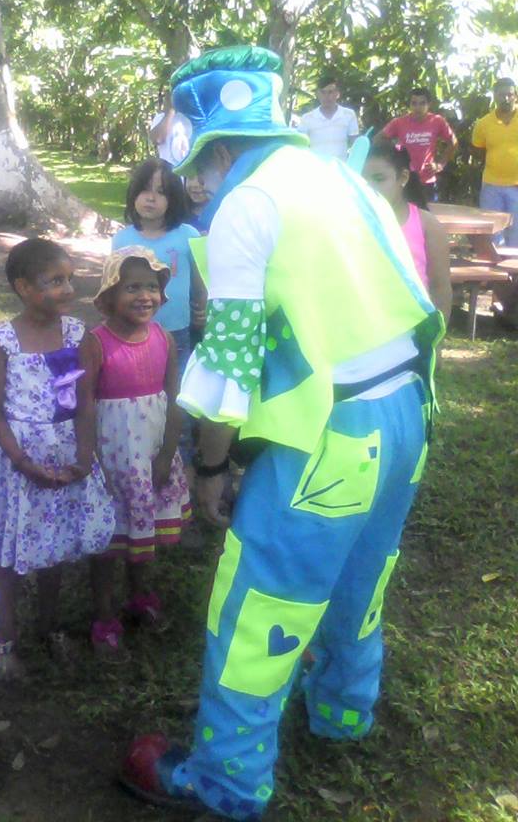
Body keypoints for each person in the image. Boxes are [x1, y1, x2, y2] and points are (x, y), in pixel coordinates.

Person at [120, 46, 444, 820]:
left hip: (329, 436)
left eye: (198, 166)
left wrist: (211, 470)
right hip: (404, 416)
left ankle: (225, 779)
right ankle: (341, 710)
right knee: (363, 577)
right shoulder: (342, 179)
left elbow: (227, 362)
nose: (194, 185)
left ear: (223, 149)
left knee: (262, 600)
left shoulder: (246, 203)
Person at [0, 238, 115, 673]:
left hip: (65, 456)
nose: (67, 289)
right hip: (20, 462)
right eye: (54, 281)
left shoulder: (78, 335)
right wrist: (21, 461)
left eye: (69, 279)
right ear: (23, 286)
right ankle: (5, 637)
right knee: (10, 555)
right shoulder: (2, 342)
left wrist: (84, 454)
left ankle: (51, 625)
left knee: (54, 548)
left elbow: (85, 399)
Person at [77, 247, 190, 652]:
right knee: (110, 543)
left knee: (145, 535)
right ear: (109, 295)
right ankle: (105, 613)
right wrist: (92, 460)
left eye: (152, 287)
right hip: (113, 461)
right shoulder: (95, 343)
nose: (145, 296)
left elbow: (174, 396)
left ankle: (141, 595)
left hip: (152, 457)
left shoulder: (163, 338)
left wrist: (166, 455)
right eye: (132, 288)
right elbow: (85, 402)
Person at [113, 158, 207, 464]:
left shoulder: (188, 235)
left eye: (161, 192)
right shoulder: (123, 239)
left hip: (177, 336)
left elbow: (199, 280)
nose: (151, 198)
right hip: (134, 338)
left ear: (174, 198)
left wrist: (201, 309)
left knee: (177, 405)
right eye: (144, 190)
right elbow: (114, 286)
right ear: (133, 194)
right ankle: (141, 466)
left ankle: (181, 473)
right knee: (141, 403)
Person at [364, 139, 452, 325]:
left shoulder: (427, 225)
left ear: (403, 178)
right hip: (365, 331)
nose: (369, 187)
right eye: (362, 180)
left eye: (379, 179)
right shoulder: (350, 221)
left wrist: (435, 341)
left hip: (413, 330)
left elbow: (440, 287)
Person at [379, 87, 457, 202]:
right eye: (414, 103)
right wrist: (393, 158)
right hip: (405, 180)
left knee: (427, 217)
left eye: (422, 103)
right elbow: (379, 139)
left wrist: (440, 164)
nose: (418, 107)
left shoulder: (437, 121)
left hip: (427, 181)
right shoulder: (399, 122)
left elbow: (453, 142)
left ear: (429, 104)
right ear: (409, 105)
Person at [471, 78, 518, 246]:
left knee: (516, 233)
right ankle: (496, 271)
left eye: (510, 95)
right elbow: (477, 151)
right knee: (492, 233)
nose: (506, 98)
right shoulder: (483, 123)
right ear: (495, 96)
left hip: (516, 186)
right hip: (492, 185)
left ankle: (514, 270)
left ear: (516, 96)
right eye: (501, 95)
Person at [296, 74, 359, 160]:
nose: (326, 96)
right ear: (317, 94)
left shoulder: (349, 115)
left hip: (340, 169)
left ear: (337, 93)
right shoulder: (307, 118)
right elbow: (300, 146)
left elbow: (355, 145)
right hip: (316, 169)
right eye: (323, 92)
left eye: (330, 92)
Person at [149, 93, 192, 167]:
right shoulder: (160, 118)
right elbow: (158, 139)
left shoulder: (192, 118)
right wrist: (170, 111)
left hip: (189, 173)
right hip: (168, 173)